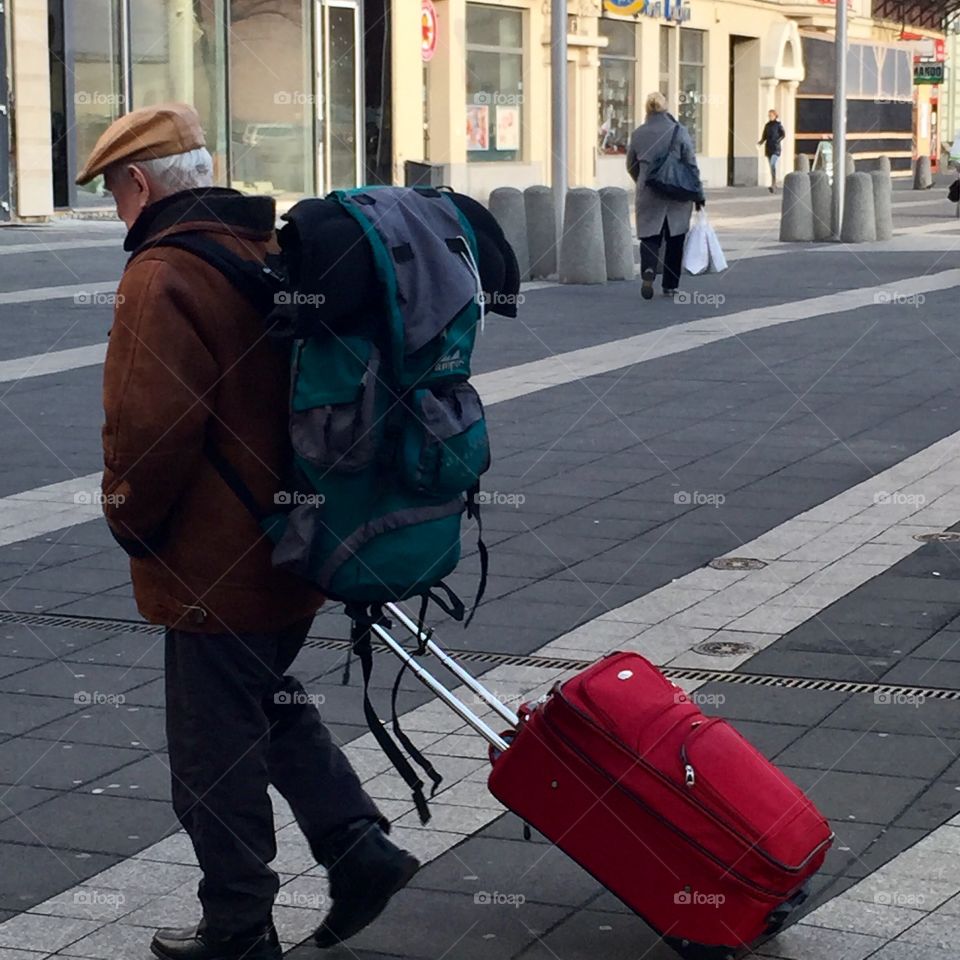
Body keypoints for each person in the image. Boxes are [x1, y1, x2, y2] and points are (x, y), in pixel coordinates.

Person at [76, 103, 419, 960]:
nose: (119, 209)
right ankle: (357, 848)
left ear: (140, 183)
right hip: (295, 546)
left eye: (116, 191)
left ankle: (237, 928)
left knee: (208, 760)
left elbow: (148, 430)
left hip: (211, 564)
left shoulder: (161, 275)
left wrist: (127, 518)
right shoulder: (263, 248)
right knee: (265, 703)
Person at [626, 91, 703, 301]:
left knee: (650, 236)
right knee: (675, 239)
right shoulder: (679, 131)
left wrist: (642, 180)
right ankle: (670, 285)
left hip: (649, 191)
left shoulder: (639, 133)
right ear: (666, 108)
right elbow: (691, 163)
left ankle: (648, 270)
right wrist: (698, 193)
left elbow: (631, 164)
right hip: (678, 192)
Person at [759, 109, 786, 193]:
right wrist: (760, 142)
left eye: (771, 115)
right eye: (769, 115)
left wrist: (777, 140)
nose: (770, 117)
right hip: (768, 148)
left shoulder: (778, 125)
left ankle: (773, 183)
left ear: (775, 116)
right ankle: (773, 182)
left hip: (775, 148)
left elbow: (783, 134)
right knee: (771, 166)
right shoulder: (767, 125)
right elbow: (764, 136)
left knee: (772, 164)